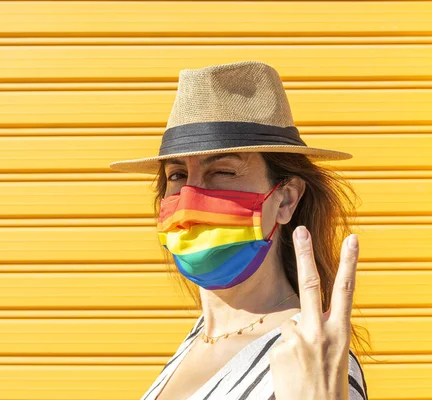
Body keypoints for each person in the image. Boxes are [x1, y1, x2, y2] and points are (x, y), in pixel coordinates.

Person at [109, 61, 370, 399]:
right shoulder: (201, 336)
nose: (190, 197)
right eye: (177, 175)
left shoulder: (312, 357)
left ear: (286, 200)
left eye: (223, 172)